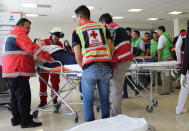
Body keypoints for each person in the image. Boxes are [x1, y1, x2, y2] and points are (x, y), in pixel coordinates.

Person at [2, 18, 54, 128]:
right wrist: (48, 57)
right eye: (27, 27)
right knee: (24, 98)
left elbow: (23, 54)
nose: (29, 30)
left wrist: (36, 60)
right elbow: (33, 48)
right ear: (21, 25)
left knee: (15, 97)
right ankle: (26, 121)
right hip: (18, 71)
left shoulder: (11, 35)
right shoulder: (19, 34)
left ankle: (16, 119)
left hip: (9, 72)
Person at [72, 5, 113, 122]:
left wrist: (83, 66)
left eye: (76, 18)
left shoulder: (77, 31)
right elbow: (111, 47)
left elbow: (77, 55)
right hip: (106, 67)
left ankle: (91, 126)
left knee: (88, 99)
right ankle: (106, 123)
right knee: (104, 98)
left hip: (90, 67)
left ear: (80, 17)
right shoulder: (103, 27)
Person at [99, 13, 133, 116]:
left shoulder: (109, 29)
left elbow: (110, 48)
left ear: (104, 22)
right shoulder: (121, 28)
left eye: (101, 24)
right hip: (127, 60)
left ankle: (116, 116)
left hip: (121, 61)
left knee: (115, 89)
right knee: (115, 87)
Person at [38, 27, 64, 108]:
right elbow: (39, 52)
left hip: (55, 65)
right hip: (44, 65)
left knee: (55, 82)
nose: (56, 37)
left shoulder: (60, 44)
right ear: (51, 35)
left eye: (58, 36)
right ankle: (43, 102)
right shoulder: (44, 41)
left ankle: (55, 99)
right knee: (43, 83)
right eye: (54, 35)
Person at [176, 20, 189, 115]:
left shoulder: (184, 34)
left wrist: (181, 64)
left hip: (187, 63)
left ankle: (179, 109)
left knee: (184, 87)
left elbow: (177, 48)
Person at [157, 26, 173, 95]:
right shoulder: (167, 35)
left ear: (161, 30)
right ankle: (171, 88)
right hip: (169, 56)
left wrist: (159, 59)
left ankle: (166, 90)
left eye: (158, 31)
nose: (157, 32)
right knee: (168, 73)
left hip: (164, 57)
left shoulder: (162, 37)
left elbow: (160, 49)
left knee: (164, 74)